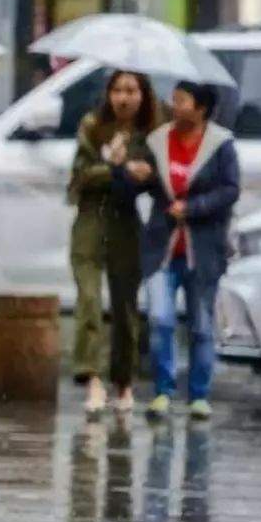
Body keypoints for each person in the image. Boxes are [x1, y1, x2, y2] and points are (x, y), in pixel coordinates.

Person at [139, 81, 240, 419]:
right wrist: (136, 174)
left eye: (182, 100)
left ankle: (198, 394)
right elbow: (150, 185)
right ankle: (163, 391)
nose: (174, 105)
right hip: (162, 250)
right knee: (160, 318)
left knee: (200, 325)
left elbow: (230, 189)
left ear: (200, 109)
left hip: (203, 250)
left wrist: (193, 208)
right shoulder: (157, 141)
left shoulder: (221, 145)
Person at [67, 70, 161, 416]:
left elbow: (159, 177)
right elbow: (80, 174)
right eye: (118, 90)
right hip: (91, 219)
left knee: (125, 306)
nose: (124, 98)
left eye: (132, 90)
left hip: (126, 221)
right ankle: (91, 378)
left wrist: (145, 174)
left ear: (143, 95)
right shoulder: (93, 125)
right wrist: (115, 167)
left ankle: (123, 382)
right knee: (89, 300)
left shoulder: (150, 133)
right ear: (108, 94)